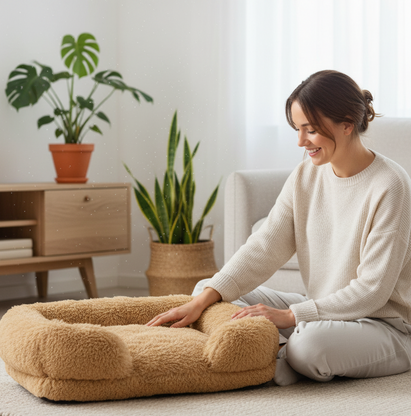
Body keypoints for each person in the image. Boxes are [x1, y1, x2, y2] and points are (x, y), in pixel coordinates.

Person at [146, 70, 411, 386]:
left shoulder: (391, 185)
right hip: (322, 316)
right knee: (208, 290)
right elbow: (265, 246)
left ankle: (277, 353)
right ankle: (270, 352)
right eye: (297, 130)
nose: (301, 142)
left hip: (383, 326)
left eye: (310, 130)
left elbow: (372, 291)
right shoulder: (305, 176)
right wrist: (202, 299)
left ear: (346, 124)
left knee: (309, 347)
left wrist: (291, 317)